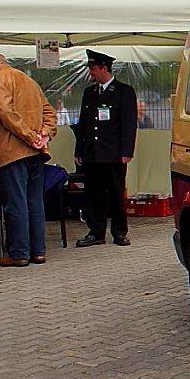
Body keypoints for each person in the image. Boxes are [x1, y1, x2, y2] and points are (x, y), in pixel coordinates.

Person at [0, 53, 56, 267]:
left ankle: (19, 253)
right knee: (34, 203)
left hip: (11, 152)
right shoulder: (29, 80)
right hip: (37, 152)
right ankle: (38, 251)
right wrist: (45, 133)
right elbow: (48, 111)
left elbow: (6, 114)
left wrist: (28, 136)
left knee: (15, 204)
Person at [74, 50, 137, 247]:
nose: (91, 73)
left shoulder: (123, 91)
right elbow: (83, 124)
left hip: (113, 153)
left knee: (116, 193)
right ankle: (96, 232)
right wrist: (79, 150)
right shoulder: (89, 93)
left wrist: (127, 151)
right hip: (92, 152)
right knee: (93, 194)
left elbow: (128, 124)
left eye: (93, 69)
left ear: (103, 68)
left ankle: (119, 231)